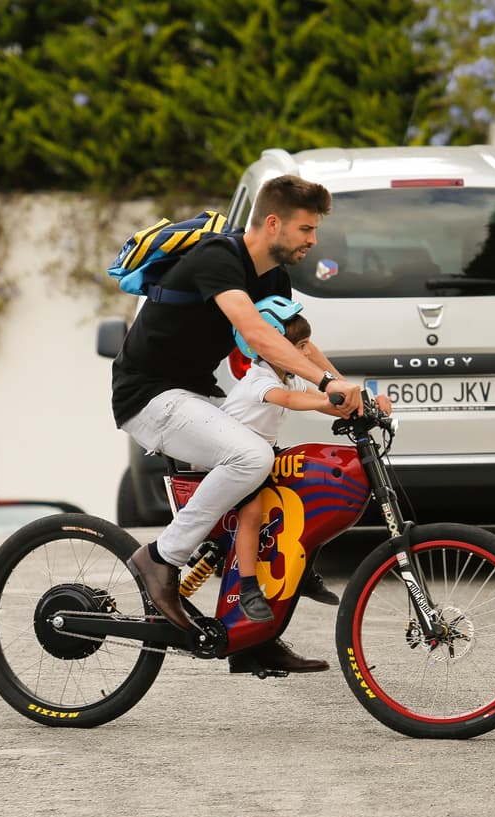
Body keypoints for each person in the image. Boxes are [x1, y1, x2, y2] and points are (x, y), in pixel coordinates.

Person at [111, 174, 362, 674]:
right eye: (306, 229)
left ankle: (250, 636)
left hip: (196, 393)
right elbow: (255, 333)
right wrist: (323, 387)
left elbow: (295, 343)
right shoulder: (218, 258)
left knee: (269, 492)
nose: (313, 241)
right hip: (148, 393)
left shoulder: (273, 279)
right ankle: (161, 558)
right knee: (250, 456)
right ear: (273, 223)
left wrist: (350, 388)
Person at [221, 310, 387, 623]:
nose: (305, 353)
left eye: (306, 344)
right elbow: (290, 400)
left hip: (262, 452)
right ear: (268, 349)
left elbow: (316, 397)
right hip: (234, 458)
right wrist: (331, 400)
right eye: (299, 346)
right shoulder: (258, 380)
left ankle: (304, 572)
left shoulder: (290, 375)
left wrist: (364, 406)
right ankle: (248, 588)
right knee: (253, 513)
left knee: (310, 493)